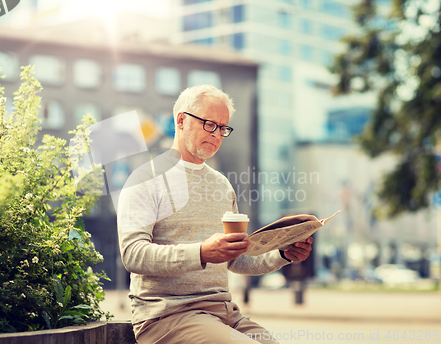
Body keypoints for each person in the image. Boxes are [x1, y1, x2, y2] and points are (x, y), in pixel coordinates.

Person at [117, 85, 314, 344]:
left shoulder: (221, 185)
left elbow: (235, 260)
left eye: (223, 128)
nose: (218, 135)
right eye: (210, 124)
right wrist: (201, 252)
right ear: (181, 120)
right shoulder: (145, 179)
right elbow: (133, 254)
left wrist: (282, 255)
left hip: (223, 313)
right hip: (168, 317)